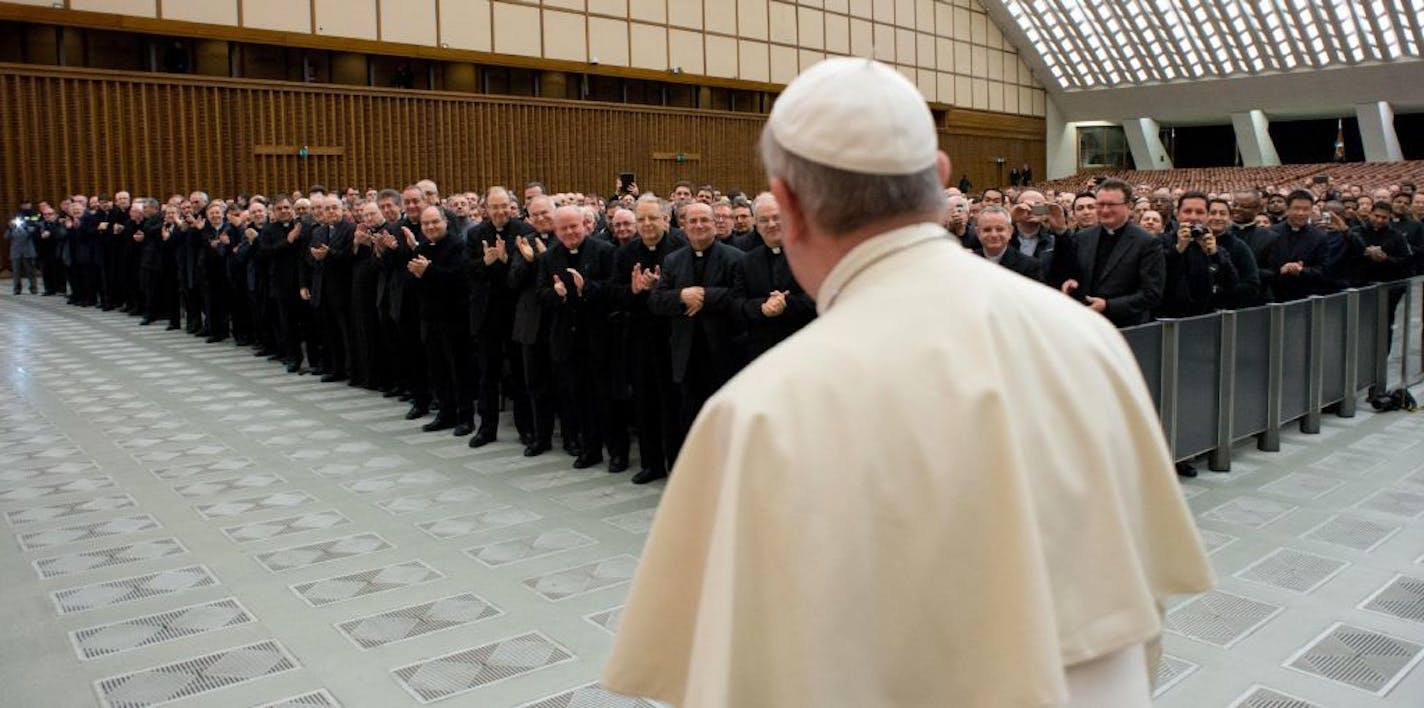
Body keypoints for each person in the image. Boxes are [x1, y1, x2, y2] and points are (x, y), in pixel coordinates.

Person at [604, 57, 1212, 708]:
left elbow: (735, 681)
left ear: (788, 207)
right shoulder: (1088, 340)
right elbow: (1136, 609)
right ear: (941, 179)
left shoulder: (757, 414)